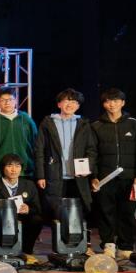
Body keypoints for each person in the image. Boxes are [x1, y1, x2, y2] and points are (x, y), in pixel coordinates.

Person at [90, 88, 136, 259]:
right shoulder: (96, 126)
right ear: (104, 104)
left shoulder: (134, 124)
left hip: (129, 179)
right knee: (105, 212)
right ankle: (108, 245)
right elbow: (92, 153)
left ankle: (125, 246)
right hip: (104, 179)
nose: (112, 104)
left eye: (115, 101)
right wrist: (94, 176)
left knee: (128, 213)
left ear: (122, 103)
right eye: (108, 101)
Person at [35, 88, 98, 219]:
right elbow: (39, 149)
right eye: (66, 101)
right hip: (54, 174)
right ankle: (58, 232)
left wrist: (87, 168)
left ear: (78, 106)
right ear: (59, 104)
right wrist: (41, 175)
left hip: (78, 175)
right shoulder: (48, 123)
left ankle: (79, 231)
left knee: (79, 211)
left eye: (74, 102)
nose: (69, 105)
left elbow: (91, 150)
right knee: (55, 211)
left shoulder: (84, 124)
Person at [0, 154, 43, 260]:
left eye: (17, 166)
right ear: (2, 168)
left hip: (23, 220)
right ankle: (2, 250)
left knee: (36, 220)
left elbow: (37, 208)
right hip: (3, 222)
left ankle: (27, 250)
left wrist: (28, 209)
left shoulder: (29, 185)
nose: (14, 170)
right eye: (9, 166)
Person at [0, 87, 38, 179]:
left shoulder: (26, 120)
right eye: (3, 100)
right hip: (0, 173)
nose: (7, 103)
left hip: (25, 171)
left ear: (16, 101)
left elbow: (36, 144)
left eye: (10, 99)